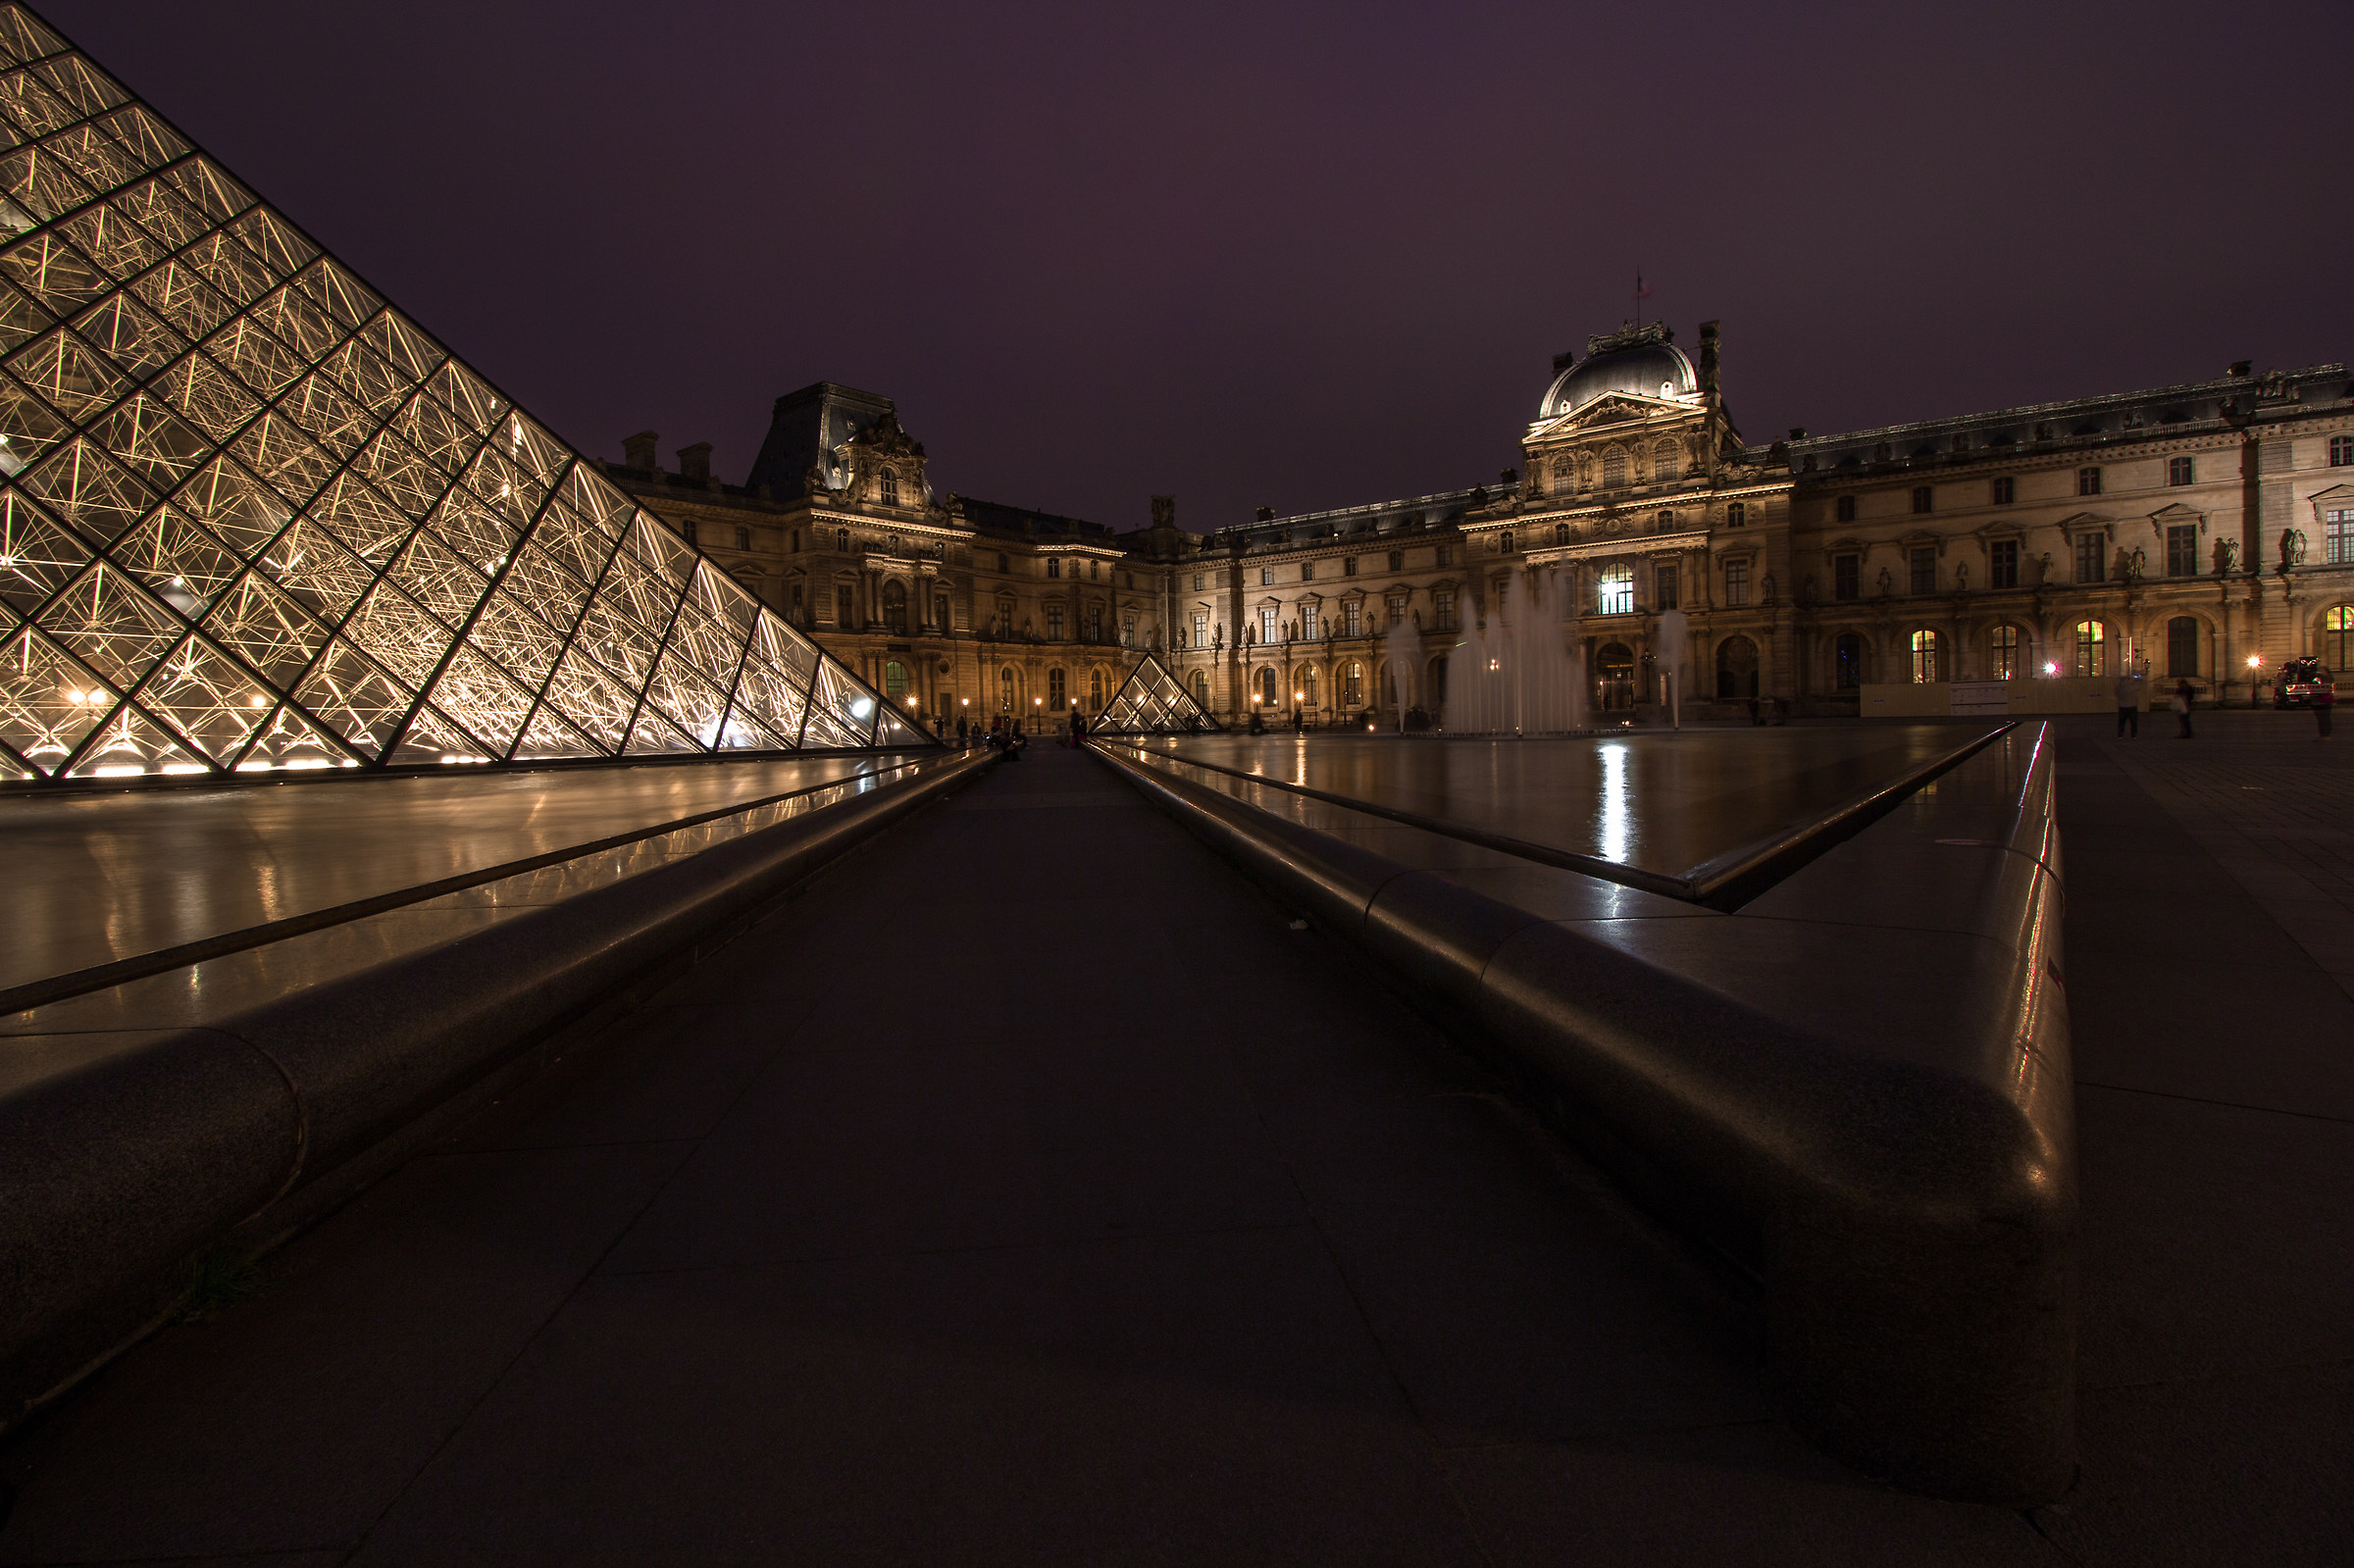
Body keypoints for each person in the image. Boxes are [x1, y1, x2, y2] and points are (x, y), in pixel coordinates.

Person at [2113, 668, 2142, 737]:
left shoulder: (2118, 688)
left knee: (2121, 722)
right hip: (2132, 706)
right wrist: (2138, 676)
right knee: (2133, 722)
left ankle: (2120, 735)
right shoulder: (2132, 687)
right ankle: (2133, 735)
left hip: (2122, 706)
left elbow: (2116, 692)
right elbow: (2140, 683)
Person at [2316, 670, 2335, 740]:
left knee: (2324, 719)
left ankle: (2325, 735)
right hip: (2324, 701)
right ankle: (2324, 735)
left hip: (2324, 701)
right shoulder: (2326, 679)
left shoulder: (2326, 680)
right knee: (2323, 719)